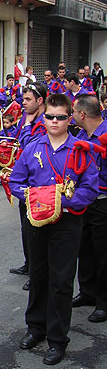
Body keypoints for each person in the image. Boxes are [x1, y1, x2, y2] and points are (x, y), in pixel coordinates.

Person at [9, 93, 98, 365]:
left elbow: (90, 188)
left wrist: (64, 201)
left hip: (67, 223)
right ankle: (35, 327)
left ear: (70, 118)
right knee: (38, 276)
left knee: (61, 282)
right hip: (36, 221)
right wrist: (36, 198)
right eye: (50, 116)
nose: (55, 121)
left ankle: (58, 339)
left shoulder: (81, 150)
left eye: (61, 117)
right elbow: (15, 181)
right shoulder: (32, 147)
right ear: (44, 118)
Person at [71, 94, 107, 323]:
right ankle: (87, 292)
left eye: (73, 111)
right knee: (84, 248)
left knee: (103, 253)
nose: (72, 114)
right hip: (84, 200)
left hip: (104, 200)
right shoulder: (81, 135)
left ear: (82, 114)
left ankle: (103, 302)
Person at [8, 82, 48, 288]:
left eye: (28, 99)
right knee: (26, 227)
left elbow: (28, 147)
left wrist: (26, 126)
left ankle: (37, 272)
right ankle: (29, 263)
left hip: (39, 184)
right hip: (25, 181)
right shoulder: (28, 118)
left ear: (40, 101)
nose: (23, 103)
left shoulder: (43, 122)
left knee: (35, 229)